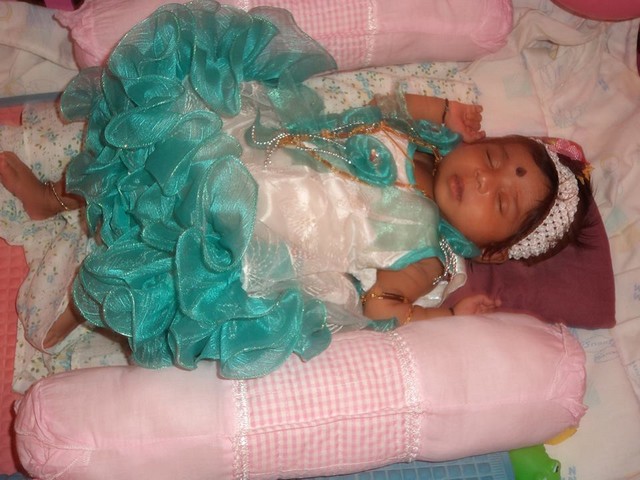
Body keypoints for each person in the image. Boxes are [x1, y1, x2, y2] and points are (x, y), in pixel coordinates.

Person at [0, 1, 592, 379]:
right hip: (258, 148)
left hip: (258, 235)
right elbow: (384, 104)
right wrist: (442, 110)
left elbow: (379, 307)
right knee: (167, 140)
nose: (484, 179)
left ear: (489, 250)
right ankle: (58, 197)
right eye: (493, 158)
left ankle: (93, 301)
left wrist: (442, 315)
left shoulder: (428, 259)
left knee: (178, 266)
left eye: (500, 202)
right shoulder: (419, 143)